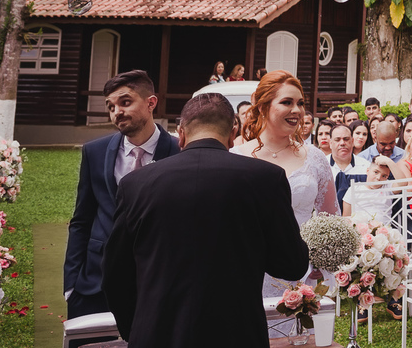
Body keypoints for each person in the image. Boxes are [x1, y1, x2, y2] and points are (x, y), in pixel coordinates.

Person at [102, 94, 309, 348]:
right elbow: (291, 265)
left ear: (181, 133)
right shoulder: (267, 179)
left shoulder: (136, 184)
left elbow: (115, 273)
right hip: (237, 334)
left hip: (157, 333)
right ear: (233, 133)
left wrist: (137, 328)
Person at [64, 70, 181, 319]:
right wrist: (71, 285)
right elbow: (81, 220)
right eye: (111, 106)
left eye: (125, 102)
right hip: (95, 283)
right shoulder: (94, 152)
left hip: (160, 283)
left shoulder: (179, 151)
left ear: (151, 103)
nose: (117, 111)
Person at [231, 70, 338, 296]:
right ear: (263, 107)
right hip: (249, 271)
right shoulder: (235, 158)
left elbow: (332, 220)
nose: (297, 110)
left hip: (302, 275)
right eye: (286, 102)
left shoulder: (315, 157)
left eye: (300, 103)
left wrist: (319, 263)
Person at [342, 155, 399, 219]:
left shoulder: (387, 186)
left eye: (384, 176)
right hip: (360, 227)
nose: (378, 178)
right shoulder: (355, 188)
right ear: (367, 171)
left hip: (384, 227)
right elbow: (346, 218)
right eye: (376, 172)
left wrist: (389, 162)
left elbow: (403, 183)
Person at [329, 124, 369, 207]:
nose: (342, 143)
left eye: (346, 139)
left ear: (352, 141)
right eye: (337, 140)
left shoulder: (366, 167)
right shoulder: (321, 166)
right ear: (330, 143)